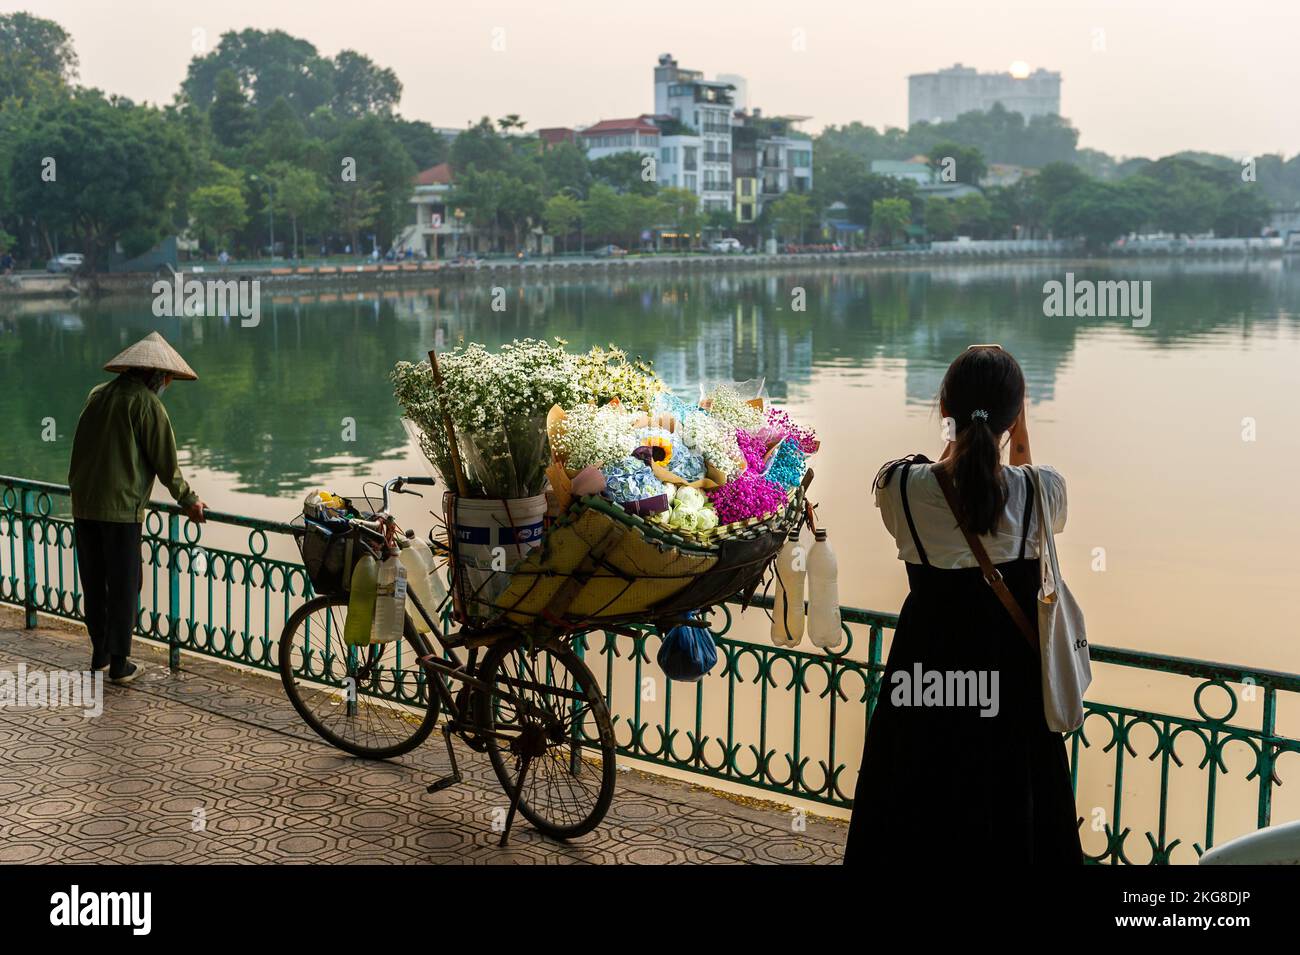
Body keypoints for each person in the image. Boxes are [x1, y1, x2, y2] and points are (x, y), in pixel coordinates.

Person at [845, 345, 1082, 864]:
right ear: (1015, 413)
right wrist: (1018, 434)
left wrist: (961, 436)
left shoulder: (900, 486)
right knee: (1011, 809)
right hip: (1011, 682)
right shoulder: (1043, 489)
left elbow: (952, 485)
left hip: (925, 672)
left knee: (916, 802)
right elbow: (1032, 508)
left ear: (944, 409)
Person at [68, 332, 207, 684]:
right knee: (125, 584)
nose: (167, 386)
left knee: (95, 583)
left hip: (84, 504)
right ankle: (119, 664)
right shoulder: (146, 405)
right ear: (156, 376)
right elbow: (167, 465)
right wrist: (189, 500)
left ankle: (99, 654)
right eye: (168, 381)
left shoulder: (97, 395)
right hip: (120, 510)